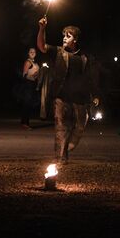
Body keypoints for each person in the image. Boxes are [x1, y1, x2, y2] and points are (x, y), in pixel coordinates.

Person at [37, 17, 100, 164]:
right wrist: (42, 29)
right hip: (60, 96)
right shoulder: (58, 52)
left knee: (80, 125)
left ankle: (65, 148)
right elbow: (41, 46)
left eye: (68, 36)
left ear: (75, 39)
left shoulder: (84, 58)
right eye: (63, 35)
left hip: (80, 97)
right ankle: (60, 158)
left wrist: (95, 95)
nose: (64, 38)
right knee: (60, 127)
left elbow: (90, 78)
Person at [20, 47, 40, 130]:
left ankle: (26, 123)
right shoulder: (28, 62)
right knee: (27, 104)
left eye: (34, 52)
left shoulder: (34, 62)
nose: (32, 53)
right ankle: (24, 123)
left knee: (29, 104)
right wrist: (32, 76)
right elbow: (24, 75)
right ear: (28, 53)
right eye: (31, 52)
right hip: (28, 85)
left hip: (33, 85)